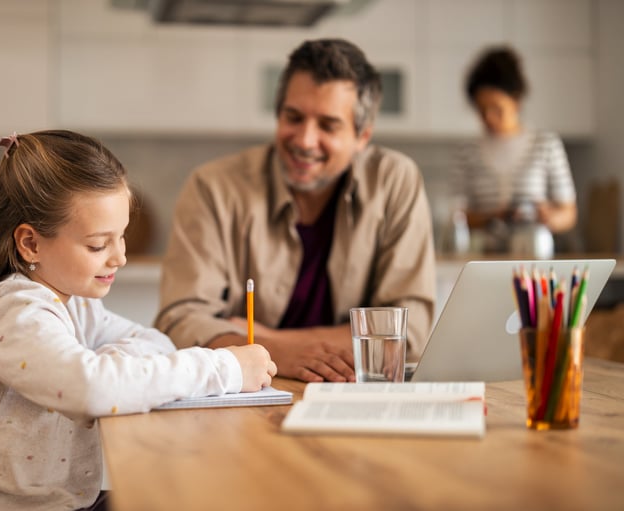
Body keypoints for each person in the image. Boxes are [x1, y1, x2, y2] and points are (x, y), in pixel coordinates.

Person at [0, 130, 276, 510]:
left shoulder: (74, 303)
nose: (120, 258)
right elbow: (92, 390)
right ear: (30, 243)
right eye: (98, 245)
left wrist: (106, 366)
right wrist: (225, 367)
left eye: (122, 237)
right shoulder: (13, 312)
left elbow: (154, 341)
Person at [155, 39, 436, 383]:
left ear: (362, 136)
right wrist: (285, 353)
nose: (304, 140)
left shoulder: (395, 181)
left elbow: (409, 334)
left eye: (328, 125)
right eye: (294, 117)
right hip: (245, 400)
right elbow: (179, 321)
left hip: (354, 396)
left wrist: (270, 343)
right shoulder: (212, 187)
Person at [453, 46, 577, 252]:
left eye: (497, 108)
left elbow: (569, 214)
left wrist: (548, 216)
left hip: (534, 256)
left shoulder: (546, 144)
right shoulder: (467, 151)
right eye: (482, 110)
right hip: (485, 257)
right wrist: (492, 217)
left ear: (517, 101)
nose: (489, 117)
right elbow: (458, 216)